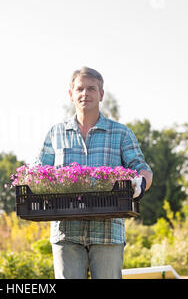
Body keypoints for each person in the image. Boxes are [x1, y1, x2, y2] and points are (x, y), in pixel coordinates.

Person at [34, 66, 153, 279]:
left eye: (91, 88)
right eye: (79, 89)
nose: (85, 94)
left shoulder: (120, 132)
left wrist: (139, 184)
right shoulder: (56, 133)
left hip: (107, 232)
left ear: (101, 94)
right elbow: (38, 171)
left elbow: (142, 168)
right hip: (66, 232)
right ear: (71, 94)